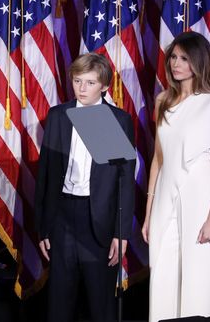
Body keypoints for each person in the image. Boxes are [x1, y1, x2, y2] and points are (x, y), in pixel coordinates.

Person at [141, 32, 210, 321]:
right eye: (173, 57)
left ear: (198, 62)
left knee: (198, 276)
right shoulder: (163, 102)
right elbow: (158, 160)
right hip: (164, 197)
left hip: (199, 197)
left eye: (183, 58)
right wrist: (148, 214)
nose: (175, 64)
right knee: (163, 273)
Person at [34, 53, 135, 322]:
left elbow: (123, 181)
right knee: (59, 300)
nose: (81, 88)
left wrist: (121, 231)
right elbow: (45, 173)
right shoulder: (59, 116)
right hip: (63, 216)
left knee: (100, 302)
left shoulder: (114, 119)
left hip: (98, 220)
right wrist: (44, 225)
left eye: (90, 83)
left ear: (104, 86)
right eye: (77, 81)